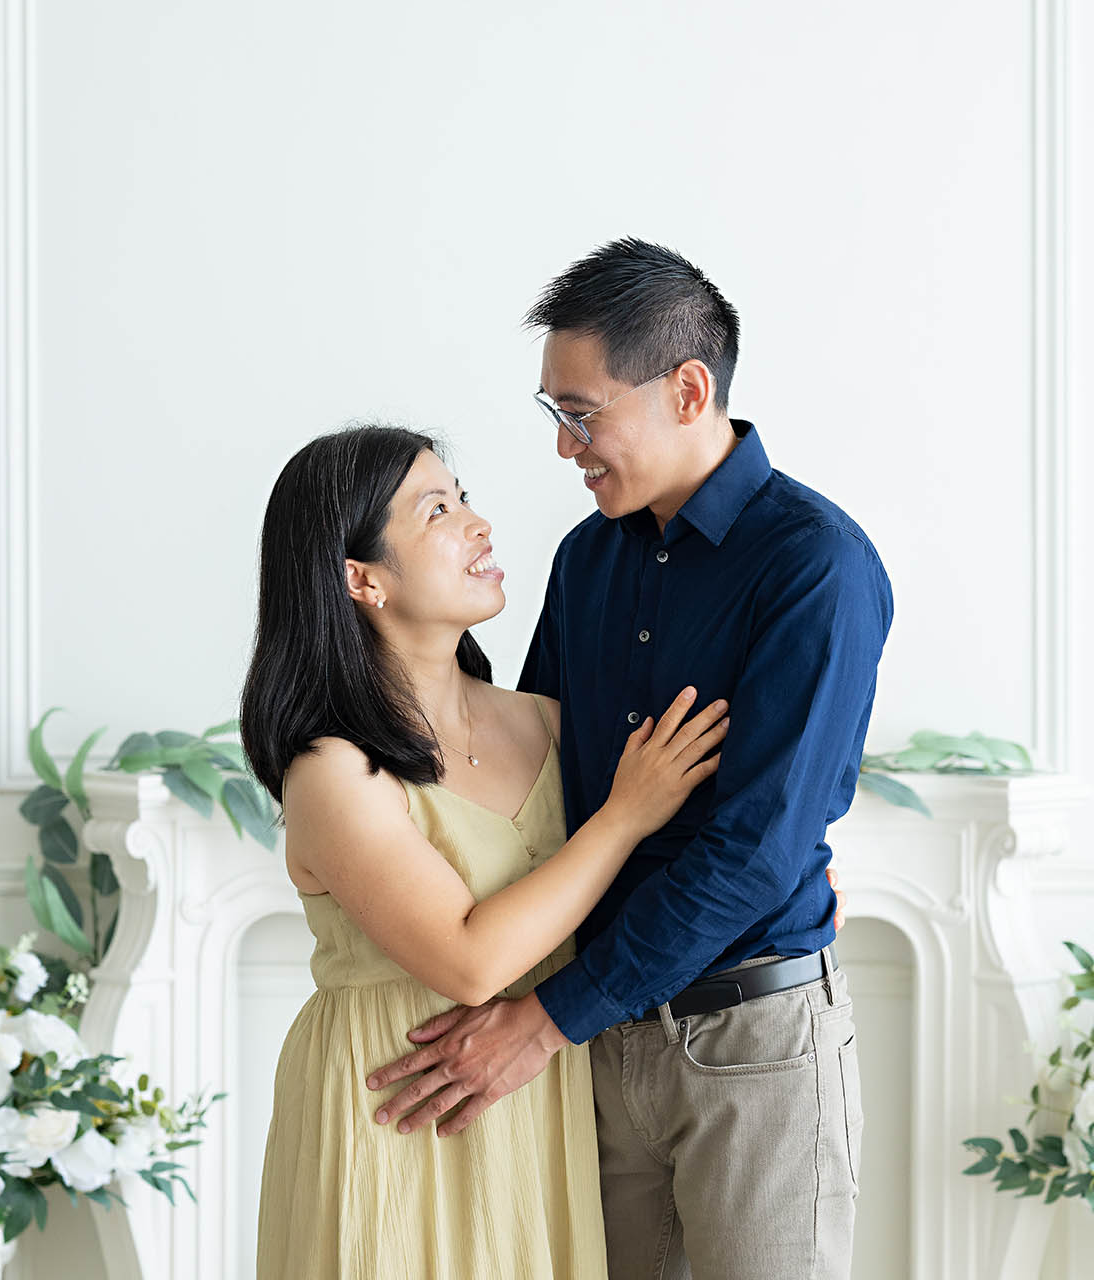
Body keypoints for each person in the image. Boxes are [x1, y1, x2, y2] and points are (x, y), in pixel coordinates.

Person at [366, 239, 895, 1278]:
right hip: (597, 1052)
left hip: (754, 1045)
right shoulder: (586, 556)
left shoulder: (815, 566)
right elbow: (538, 786)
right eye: (553, 413)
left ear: (688, 388)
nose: (566, 447)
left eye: (582, 411)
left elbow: (753, 852)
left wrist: (545, 1020)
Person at [241, 423, 731, 1279]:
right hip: (395, 1110)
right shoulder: (332, 770)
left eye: (464, 498)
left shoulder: (544, 719)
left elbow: (647, 877)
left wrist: (785, 885)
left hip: (542, 1098)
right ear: (362, 579)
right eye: (438, 510)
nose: (479, 525)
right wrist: (624, 816)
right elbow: (468, 961)